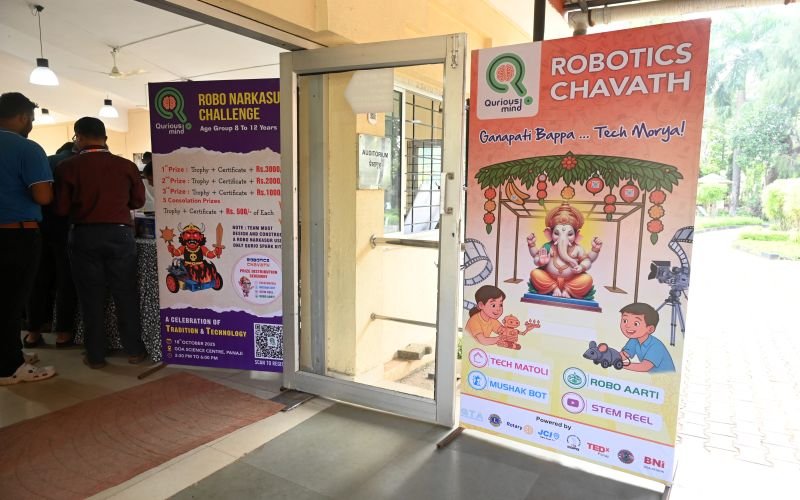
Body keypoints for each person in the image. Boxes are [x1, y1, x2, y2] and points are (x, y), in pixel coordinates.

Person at [54, 117, 147, 369]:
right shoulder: (126, 165)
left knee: (90, 297)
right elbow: (138, 202)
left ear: (79, 137)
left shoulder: (67, 167)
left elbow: (61, 208)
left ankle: (95, 355)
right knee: (125, 294)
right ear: (105, 138)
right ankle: (134, 350)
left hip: (84, 235)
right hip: (120, 234)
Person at [0, 92, 57, 385]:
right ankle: (10, 368)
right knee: (12, 301)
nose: (31, 125)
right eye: (31, 119)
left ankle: (11, 354)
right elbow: (43, 196)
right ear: (23, 117)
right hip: (15, 234)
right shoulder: (27, 148)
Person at [24, 141, 79, 348]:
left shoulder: (45, 161)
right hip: (67, 227)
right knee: (66, 281)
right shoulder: (76, 163)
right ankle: (63, 333)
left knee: (38, 280)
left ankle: (33, 332)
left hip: (39, 226)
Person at [618, 302, 676, 373]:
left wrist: (620, 364)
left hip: (667, 377)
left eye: (636, 323)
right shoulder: (634, 340)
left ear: (650, 329)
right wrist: (610, 358)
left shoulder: (656, 346)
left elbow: (644, 367)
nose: (628, 326)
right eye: (625, 321)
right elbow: (624, 354)